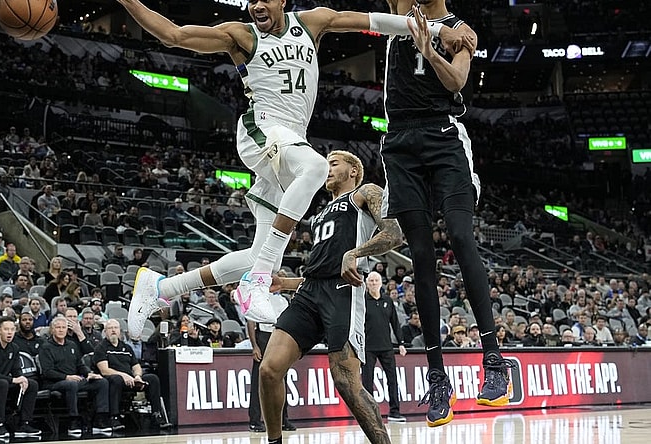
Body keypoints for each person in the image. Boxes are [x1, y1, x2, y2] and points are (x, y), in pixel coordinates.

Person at [121, 0, 469, 339]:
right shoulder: (241, 35)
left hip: (290, 145)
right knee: (316, 168)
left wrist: (438, 30)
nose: (257, 6)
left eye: (265, 0)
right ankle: (257, 282)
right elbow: (173, 35)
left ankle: (162, 288)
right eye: (252, 1)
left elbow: (372, 22)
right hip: (262, 130)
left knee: (260, 254)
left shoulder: (311, 22)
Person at [378, 0, 512, 427]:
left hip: (443, 134)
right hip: (400, 141)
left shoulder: (461, 29)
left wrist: (430, 48)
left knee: (460, 234)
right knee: (420, 255)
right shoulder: (400, 10)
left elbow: (457, 81)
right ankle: (437, 378)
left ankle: (493, 360)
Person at [261, 151, 403, 444]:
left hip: (343, 290)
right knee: (269, 369)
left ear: (353, 171)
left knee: (346, 381)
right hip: (310, 291)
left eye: (333, 163)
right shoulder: (319, 214)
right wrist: (286, 283)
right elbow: (322, 268)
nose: (326, 168)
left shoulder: (365, 193)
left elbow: (394, 234)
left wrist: (355, 253)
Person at [38, 317, 111, 437]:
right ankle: (73, 420)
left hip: (75, 380)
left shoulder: (72, 345)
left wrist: (88, 374)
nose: (61, 330)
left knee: (102, 382)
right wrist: (66, 377)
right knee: (71, 384)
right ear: (52, 330)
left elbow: (80, 365)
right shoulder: (46, 347)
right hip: (54, 383)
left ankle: (100, 419)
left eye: (63, 327)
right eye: (58, 327)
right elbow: (47, 372)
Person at [94, 319, 172, 430]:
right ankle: (114, 417)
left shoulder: (127, 348)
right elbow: (104, 370)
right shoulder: (101, 347)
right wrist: (124, 376)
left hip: (131, 379)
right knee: (116, 379)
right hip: (114, 379)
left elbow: (136, 366)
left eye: (115, 328)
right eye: (110, 328)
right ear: (105, 331)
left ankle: (156, 415)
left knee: (152, 378)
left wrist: (138, 376)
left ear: (120, 331)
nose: (113, 330)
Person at [0, 317, 42, 438]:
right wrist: (13, 380)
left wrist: (22, 378)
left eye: (12, 329)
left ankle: (24, 423)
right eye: (6, 329)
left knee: (32, 384)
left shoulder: (14, 347)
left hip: (6, 381)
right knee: (2, 383)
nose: (9, 332)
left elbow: (16, 370)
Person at [362, 271, 407, 422]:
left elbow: (395, 323)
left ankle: (395, 412)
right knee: (367, 382)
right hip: (368, 348)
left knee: (392, 379)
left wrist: (401, 343)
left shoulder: (387, 300)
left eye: (376, 280)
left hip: (387, 347)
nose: (374, 283)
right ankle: (370, 414)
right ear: (366, 283)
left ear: (381, 283)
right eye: (371, 281)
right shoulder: (362, 301)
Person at [247, 296, 294, 433]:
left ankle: (283, 419)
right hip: (263, 335)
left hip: (281, 335)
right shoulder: (258, 297)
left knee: (282, 379)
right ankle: (255, 420)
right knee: (258, 380)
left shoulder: (284, 300)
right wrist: (255, 346)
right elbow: (250, 322)